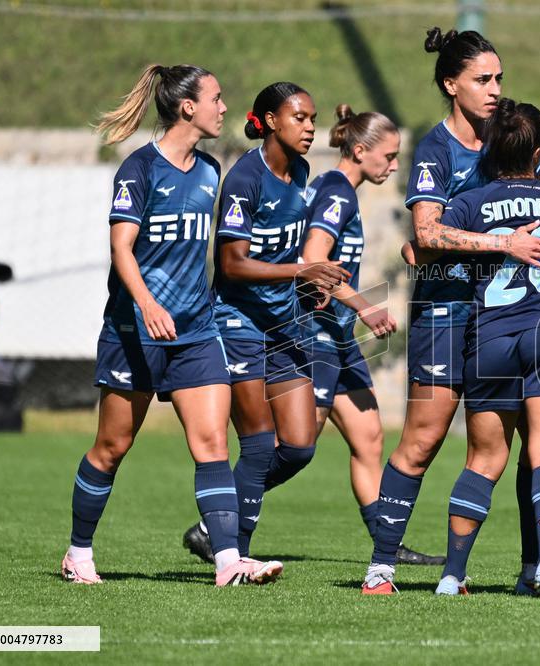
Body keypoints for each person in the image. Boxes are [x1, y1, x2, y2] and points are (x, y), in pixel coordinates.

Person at [362, 25, 540, 595]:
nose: (494, 89)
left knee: (529, 448)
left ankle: (537, 568)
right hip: (447, 314)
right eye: (482, 79)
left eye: (499, 78)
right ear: (452, 85)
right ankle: (381, 566)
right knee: (422, 440)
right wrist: (505, 243)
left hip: (504, 318)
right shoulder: (436, 150)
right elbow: (424, 234)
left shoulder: (504, 140)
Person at [62, 64, 280, 586]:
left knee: (212, 446)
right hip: (134, 331)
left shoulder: (210, 172)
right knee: (112, 447)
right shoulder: (138, 170)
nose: (224, 108)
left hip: (198, 331)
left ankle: (228, 562)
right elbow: (121, 249)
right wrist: (147, 304)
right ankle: (78, 552)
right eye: (217, 98)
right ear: (188, 107)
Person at [421, 98, 540, 597]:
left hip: (491, 334)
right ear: (539, 152)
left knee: (483, 460)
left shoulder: (472, 202)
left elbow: (428, 241)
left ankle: (453, 575)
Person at [180, 83, 350, 565]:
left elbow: (286, 250)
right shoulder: (243, 179)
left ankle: (215, 524)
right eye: (300, 118)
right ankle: (235, 553)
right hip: (237, 322)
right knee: (256, 443)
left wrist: (307, 282)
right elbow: (232, 265)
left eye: (313, 118)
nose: (311, 127)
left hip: (284, 322)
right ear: (272, 121)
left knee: (298, 447)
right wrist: (303, 270)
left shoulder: (300, 170)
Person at [300, 105, 441, 564]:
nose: (396, 164)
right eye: (390, 155)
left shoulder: (341, 190)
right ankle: (219, 527)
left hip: (337, 336)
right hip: (313, 331)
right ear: (360, 151)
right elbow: (312, 263)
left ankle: (388, 544)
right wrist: (365, 309)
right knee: (296, 447)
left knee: (368, 437)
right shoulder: (336, 192)